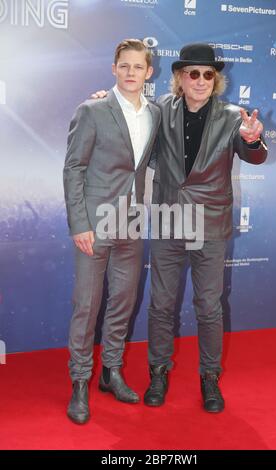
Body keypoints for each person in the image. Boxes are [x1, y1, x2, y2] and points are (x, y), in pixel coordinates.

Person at [92, 43, 267, 413]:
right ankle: (158, 371)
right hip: (170, 218)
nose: (201, 80)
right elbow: (129, 123)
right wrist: (103, 102)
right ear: (180, 78)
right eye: (193, 73)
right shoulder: (158, 112)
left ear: (215, 79)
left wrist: (253, 139)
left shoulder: (234, 116)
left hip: (211, 223)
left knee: (208, 306)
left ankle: (209, 377)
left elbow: (254, 153)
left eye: (208, 74)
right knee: (161, 305)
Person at [63, 39, 160, 424]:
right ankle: (80, 381)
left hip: (132, 221)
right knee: (86, 307)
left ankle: (111, 372)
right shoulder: (92, 110)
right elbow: (73, 169)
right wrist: (79, 223)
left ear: (148, 72)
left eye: (138, 66)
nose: (131, 72)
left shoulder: (154, 114)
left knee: (122, 301)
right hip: (94, 223)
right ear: (114, 68)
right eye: (125, 66)